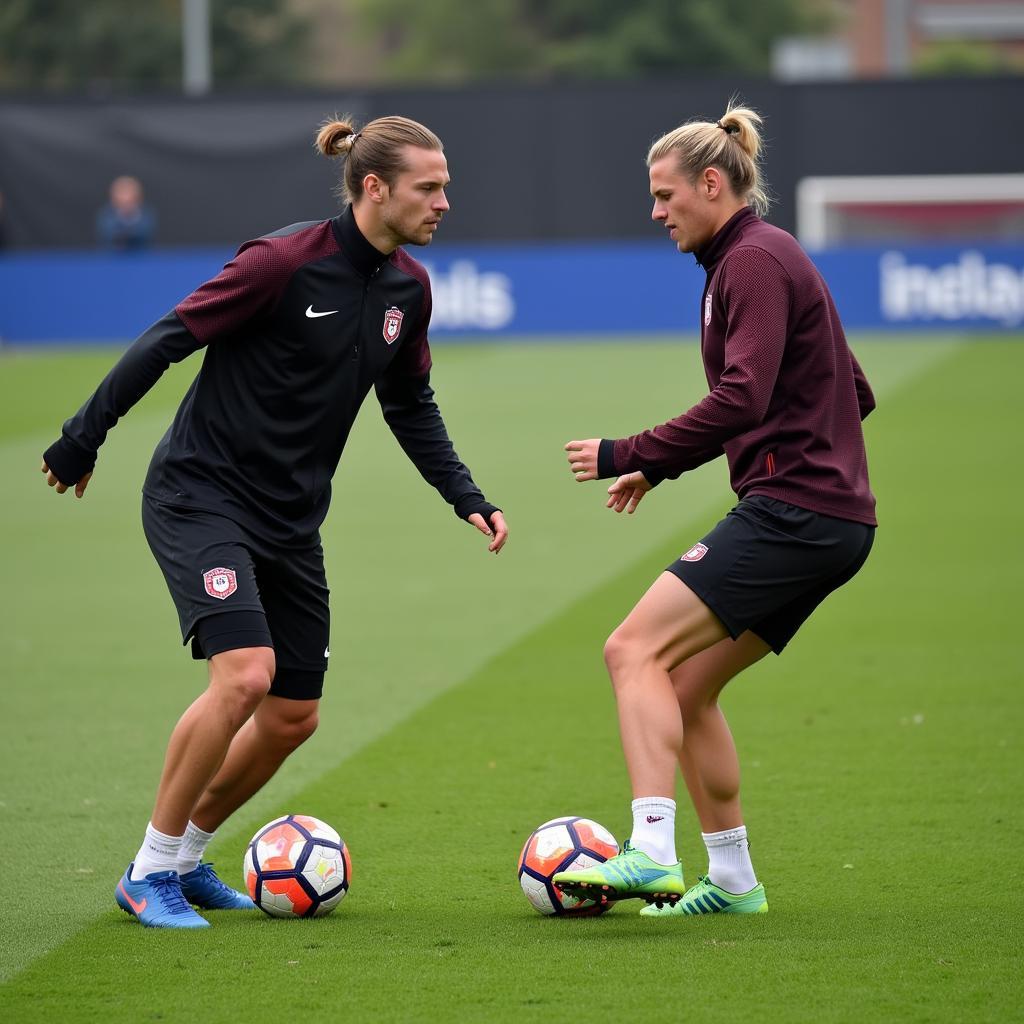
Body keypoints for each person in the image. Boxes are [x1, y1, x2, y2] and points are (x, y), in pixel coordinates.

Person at [42, 115, 508, 929]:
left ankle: (184, 861)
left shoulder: (408, 290)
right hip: (201, 494)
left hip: (292, 520)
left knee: (294, 715)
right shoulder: (281, 263)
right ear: (374, 188)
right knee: (246, 674)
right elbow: (167, 339)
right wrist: (83, 437)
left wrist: (466, 495)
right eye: (429, 187)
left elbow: (410, 404)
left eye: (445, 186)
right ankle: (147, 871)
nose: (444, 202)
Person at [553, 103, 875, 916]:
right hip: (830, 517)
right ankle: (732, 879)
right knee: (687, 686)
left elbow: (743, 395)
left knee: (631, 651)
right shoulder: (756, 259)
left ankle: (650, 850)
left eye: (666, 195)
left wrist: (633, 453)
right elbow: (853, 390)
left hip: (795, 513)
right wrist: (665, 472)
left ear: (711, 182)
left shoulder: (753, 261)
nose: (657, 212)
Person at [96, 174, 156, 250]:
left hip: (140, 257)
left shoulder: (146, 214)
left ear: (137, 196)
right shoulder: (106, 215)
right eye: (121, 193)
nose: (125, 198)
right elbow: (108, 234)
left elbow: (145, 233)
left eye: (129, 193)